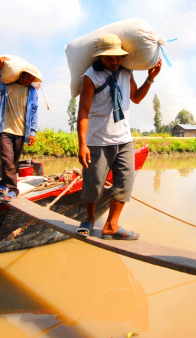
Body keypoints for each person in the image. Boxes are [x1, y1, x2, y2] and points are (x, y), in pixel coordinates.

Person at [76, 34, 161, 239]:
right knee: (93, 183)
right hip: (98, 140)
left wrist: (150, 78)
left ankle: (111, 225)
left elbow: (136, 98)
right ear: (101, 57)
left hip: (124, 140)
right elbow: (83, 111)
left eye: (117, 57)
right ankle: (88, 218)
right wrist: (82, 144)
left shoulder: (126, 73)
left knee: (125, 182)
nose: (114, 61)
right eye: (108, 58)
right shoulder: (91, 76)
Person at [0, 56, 39, 201]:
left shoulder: (32, 92)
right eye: (29, 78)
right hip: (4, 128)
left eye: (32, 80)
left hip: (21, 131)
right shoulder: (7, 86)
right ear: (22, 74)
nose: (30, 81)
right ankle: (13, 189)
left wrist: (32, 132)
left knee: (13, 161)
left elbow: (34, 111)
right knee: (7, 158)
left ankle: (3, 183)